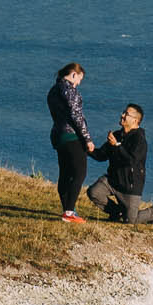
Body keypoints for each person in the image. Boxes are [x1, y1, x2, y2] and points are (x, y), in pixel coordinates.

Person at [84, 104, 153, 225]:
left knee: (130, 221)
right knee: (94, 192)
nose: (122, 115)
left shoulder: (139, 139)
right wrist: (87, 149)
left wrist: (117, 146)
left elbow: (131, 161)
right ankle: (116, 212)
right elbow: (102, 155)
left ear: (135, 121)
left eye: (126, 114)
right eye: (123, 112)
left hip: (130, 187)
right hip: (112, 181)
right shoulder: (116, 135)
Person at [46, 61, 93, 222]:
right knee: (80, 172)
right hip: (72, 136)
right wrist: (87, 138)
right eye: (79, 79)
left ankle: (67, 208)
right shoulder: (70, 90)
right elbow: (76, 116)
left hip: (58, 135)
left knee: (65, 173)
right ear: (73, 74)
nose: (79, 83)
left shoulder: (53, 91)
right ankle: (69, 212)